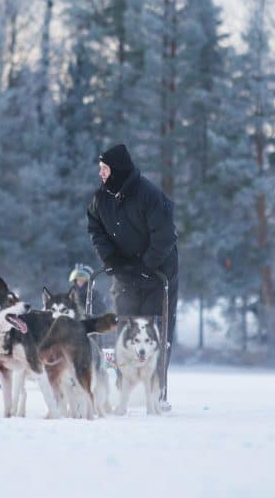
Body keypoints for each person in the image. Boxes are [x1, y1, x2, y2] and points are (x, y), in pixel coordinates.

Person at [85, 143, 178, 409]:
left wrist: (146, 264)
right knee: (125, 329)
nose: (101, 173)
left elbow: (165, 236)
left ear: (117, 170)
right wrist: (111, 260)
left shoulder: (149, 195)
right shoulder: (100, 199)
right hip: (125, 274)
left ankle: (155, 392)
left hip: (159, 273)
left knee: (154, 331)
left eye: (104, 169)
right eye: (100, 169)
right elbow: (95, 228)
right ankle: (122, 390)